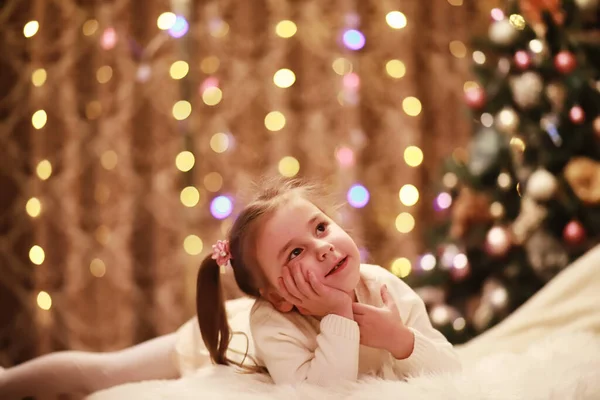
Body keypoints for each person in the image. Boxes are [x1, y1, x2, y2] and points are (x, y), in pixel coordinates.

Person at [0, 177, 461, 398]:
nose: (321, 248)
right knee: (99, 374)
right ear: (279, 296)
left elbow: (452, 368)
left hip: (259, 326)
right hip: (224, 338)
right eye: (294, 254)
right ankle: (9, 381)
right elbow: (322, 393)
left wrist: (400, 340)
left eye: (320, 228)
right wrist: (338, 311)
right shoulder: (271, 319)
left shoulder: (383, 289)